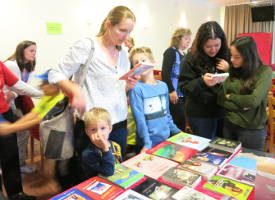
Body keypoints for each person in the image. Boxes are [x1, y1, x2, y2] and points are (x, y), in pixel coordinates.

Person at [48, 6, 138, 158]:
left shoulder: (123, 53)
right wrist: (75, 90)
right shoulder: (88, 46)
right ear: (108, 24)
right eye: (122, 30)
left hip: (119, 125)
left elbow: (113, 89)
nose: (126, 36)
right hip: (94, 127)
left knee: (116, 174)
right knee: (91, 177)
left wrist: (127, 86)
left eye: (129, 32)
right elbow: (55, 74)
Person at [217, 36, 272, 151]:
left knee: (250, 164)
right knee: (227, 163)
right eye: (231, 55)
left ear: (249, 57)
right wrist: (242, 105)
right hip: (229, 124)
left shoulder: (264, 71)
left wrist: (231, 96)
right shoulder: (232, 71)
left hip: (251, 129)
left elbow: (253, 101)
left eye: (237, 57)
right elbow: (221, 99)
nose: (231, 60)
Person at [178, 21, 230, 139]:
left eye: (217, 45)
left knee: (223, 148)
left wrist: (229, 69)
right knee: (205, 151)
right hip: (200, 114)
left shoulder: (226, 55)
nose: (213, 50)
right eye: (208, 46)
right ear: (201, 44)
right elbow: (184, 87)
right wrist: (202, 82)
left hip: (223, 111)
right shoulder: (190, 59)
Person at [0, 61, 42, 200]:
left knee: (11, 155)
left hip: (5, 113)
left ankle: (16, 194)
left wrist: (42, 94)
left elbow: (17, 84)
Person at [129, 47, 181, 153]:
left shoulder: (163, 86)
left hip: (165, 140)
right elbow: (140, 120)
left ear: (152, 62)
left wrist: (178, 133)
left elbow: (166, 114)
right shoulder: (136, 88)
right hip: (146, 144)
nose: (140, 64)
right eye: (136, 62)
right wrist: (147, 144)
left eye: (143, 60)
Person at [4, 40, 39, 173]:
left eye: (35, 51)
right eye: (31, 50)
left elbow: (22, 88)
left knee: (23, 130)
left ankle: (19, 163)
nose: (34, 54)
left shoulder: (28, 66)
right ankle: (17, 164)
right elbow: (18, 86)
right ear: (21, 51)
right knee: (19, 131)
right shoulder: (11, 65)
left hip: (12, 102)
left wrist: (13, 94)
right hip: (5, 104)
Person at [162, 28, 191, 131]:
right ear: (178, 38)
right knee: (177, 120)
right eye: (186, 38)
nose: (189, 41)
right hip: (174, 93)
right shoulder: (170, 52)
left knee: (182, 120)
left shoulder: (185, 54)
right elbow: (165, 73)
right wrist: (171, 91)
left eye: (189, 39)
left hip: (183, 93)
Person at [81, 107, 122, 180]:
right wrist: (105, 149)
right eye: (93, 130)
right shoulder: (88, 153)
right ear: (87, 132)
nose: (99, 134)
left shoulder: (116, 146)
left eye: (103, 128)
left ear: (110, 128)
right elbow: (108, 172)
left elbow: (119, 165)